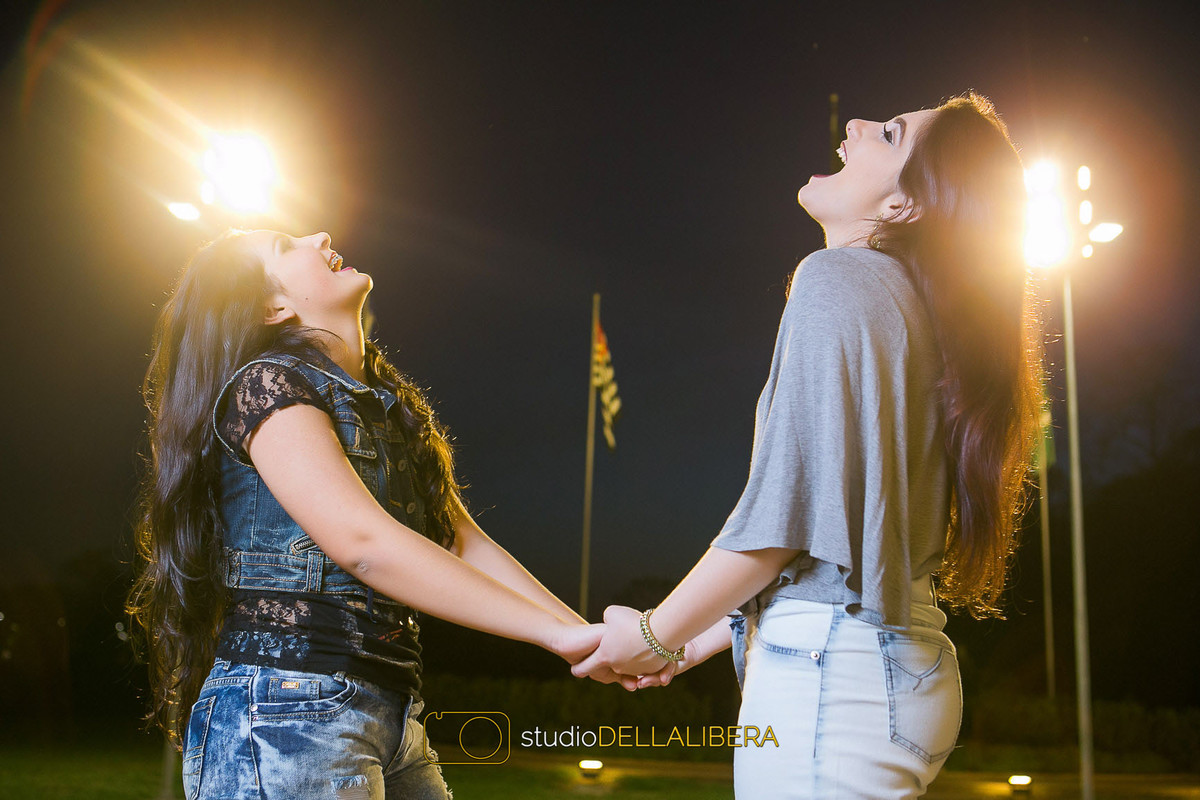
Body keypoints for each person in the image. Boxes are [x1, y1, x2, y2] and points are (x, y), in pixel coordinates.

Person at [573, 93, 1042, 799]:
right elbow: (842, 538)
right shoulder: (911, 307)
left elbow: (782, 518)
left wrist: (655, 632)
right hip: (895, 671)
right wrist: (700, 639)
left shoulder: (839, 279)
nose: (856, 124)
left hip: (837, 677)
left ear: (905, 206)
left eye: (888, 133)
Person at [127, 229, 619, 799]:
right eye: (287, 246)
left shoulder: (390, 407)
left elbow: (466, 545)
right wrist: (558, 639)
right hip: (285, 710)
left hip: (390, 713)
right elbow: (364, 543)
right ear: (273, 306)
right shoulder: (265, 386)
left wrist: (583, 636)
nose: (320, 235)